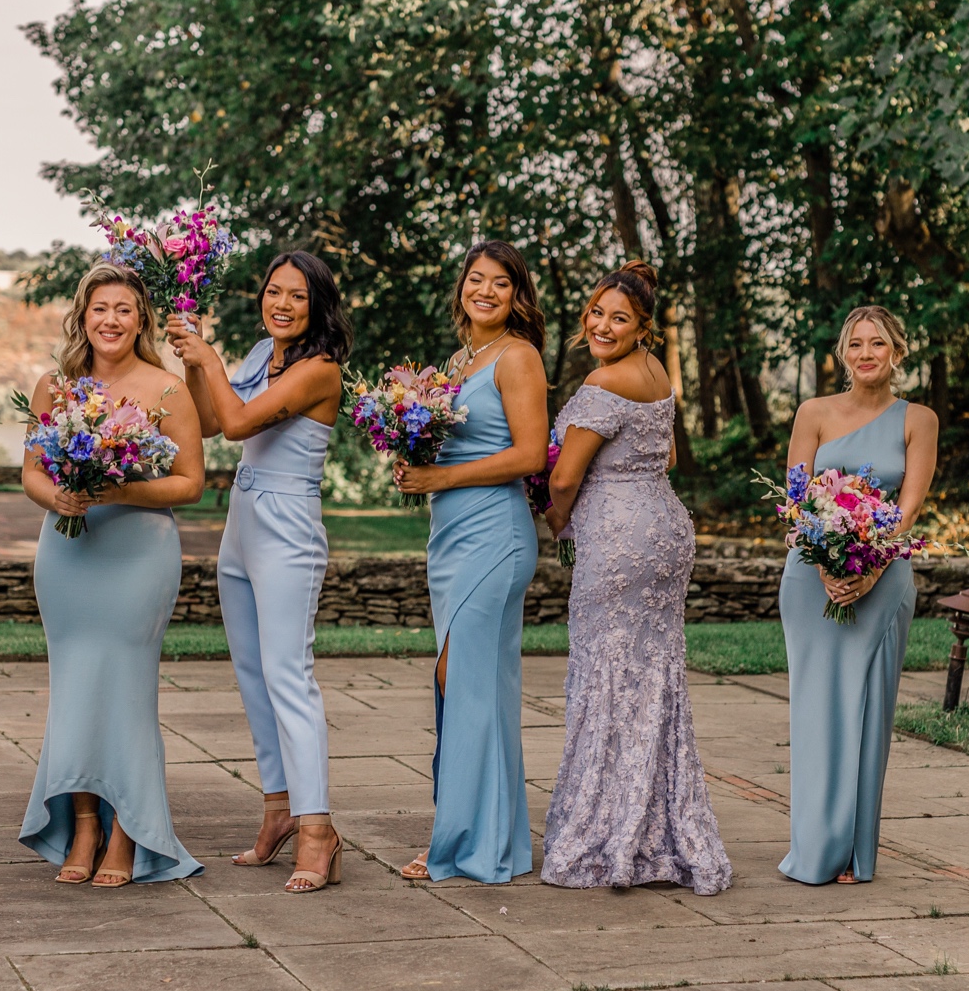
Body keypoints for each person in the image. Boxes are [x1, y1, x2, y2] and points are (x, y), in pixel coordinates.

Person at [541, 262, 731, 896]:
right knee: (652, 680)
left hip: (619, 539)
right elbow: (667, 455)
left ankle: (610, 834)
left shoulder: (603, 381)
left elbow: (564, 477)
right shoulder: (656, 375)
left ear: (642, 326)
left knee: (606, 674)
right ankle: (659, 830)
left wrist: (557, 521)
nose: (602, 325)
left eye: (618, 318)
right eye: (596, 313)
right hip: (666, 526)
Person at [166, 251, 352, 892]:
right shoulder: (258, 354)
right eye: (274, 291)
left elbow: (242, 421)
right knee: (253, 676)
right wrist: (194, 364)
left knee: (288, 676)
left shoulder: (319, 370)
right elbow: (211, 422)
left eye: (297, 295)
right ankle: (278, 810)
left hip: (288, 527)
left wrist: (210, 359)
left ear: (317, 305)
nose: (282, 304)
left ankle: (318, 830)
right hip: (242, 522)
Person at [19, 263, 206, 887]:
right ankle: (84, 826)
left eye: (124, 309)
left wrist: (116, 487)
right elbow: (31, 473)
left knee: (128, 690)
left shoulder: (167, 388)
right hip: (68, 555)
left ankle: (129, 829)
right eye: (100, 308)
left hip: (139, 556)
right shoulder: (55, 387)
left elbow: (191, 482)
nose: (111, 320)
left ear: (141, 319)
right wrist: (60, 497)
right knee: (74, 688)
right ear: (83, 316)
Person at [391, 241, 548, 884]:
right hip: (449, 536)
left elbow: (530, 455)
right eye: (476, 279)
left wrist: (441, 478)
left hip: (494, 533)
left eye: (500, 282)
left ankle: (464, 842)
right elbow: (446, 444)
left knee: (464, 679)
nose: (485, 291)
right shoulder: (458, 362)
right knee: (469, 682)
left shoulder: (518, 357)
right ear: (461, 287)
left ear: (517, 295)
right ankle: (489, 838)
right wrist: (409, 454)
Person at [778, 307, 938, 885]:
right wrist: (824, 561)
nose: (865, 354)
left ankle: (853, 853)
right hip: (810, 577)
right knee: (815, 711)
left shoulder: (919, 419)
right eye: (855, 344)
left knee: (868, 710)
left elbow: (908, 508)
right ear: (843, 353)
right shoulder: (813, 413)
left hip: (883, 576)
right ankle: (814, 847)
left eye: (877, 344)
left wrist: (869, 569)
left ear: (897, 351)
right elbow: (796, 500)